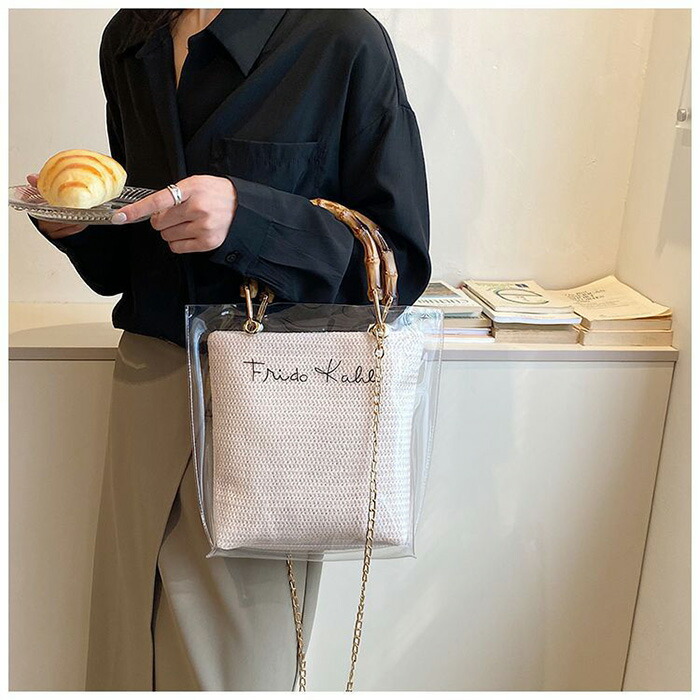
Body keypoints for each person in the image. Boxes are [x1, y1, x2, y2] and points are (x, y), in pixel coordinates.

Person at [30, 8, 431, 691]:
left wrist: (248, 217)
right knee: (126, 646)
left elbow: (397, 263)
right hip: (148, 375)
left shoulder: (339, 37)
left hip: (275, 392)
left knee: (238, 668)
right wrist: (79, 225)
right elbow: (133, 263)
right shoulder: (132, 35)